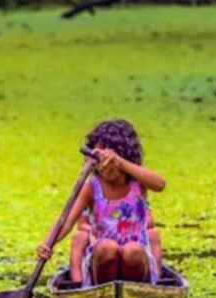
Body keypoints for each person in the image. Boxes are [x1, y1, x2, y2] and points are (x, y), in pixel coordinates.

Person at [37, 118, 165, 287]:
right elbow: (66, 221)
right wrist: (47, 244)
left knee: (131, 250)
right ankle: (104, 291)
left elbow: (160, 184)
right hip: (101, 260)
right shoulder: (91, 188)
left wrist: (120, 162)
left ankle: (135, 291)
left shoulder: (138, 184)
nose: (105, 167)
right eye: (99, 161)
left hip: (137, 259)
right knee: (107, 247)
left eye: (111, 163)